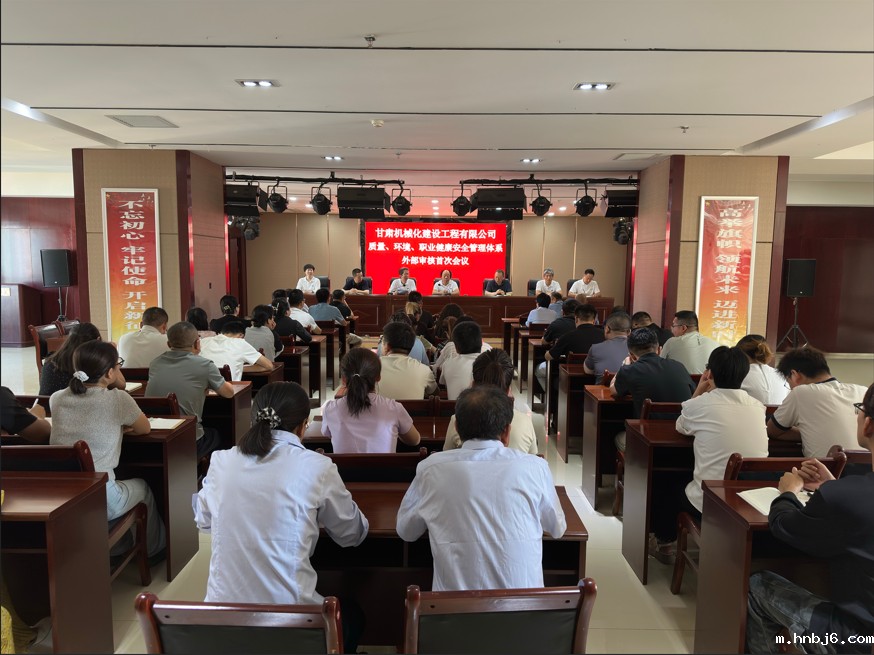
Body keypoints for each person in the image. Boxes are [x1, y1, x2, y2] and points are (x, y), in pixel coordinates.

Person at [193, 381, 369, 653]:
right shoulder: (317, 466)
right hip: (291, 625)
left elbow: (203, 520)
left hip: (224, 622)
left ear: (254, 419)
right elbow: (351, 535)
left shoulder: (221, 461)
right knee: (353, 615)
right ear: (303, 426)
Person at [745, 383, 874, 654]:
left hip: (857, 640)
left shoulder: (846, 497)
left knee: (757, 585)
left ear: (868, 424)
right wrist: (833, 486)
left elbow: (783, 525)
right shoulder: (847, 494)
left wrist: (789, 492)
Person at [396, 385, 566, 590]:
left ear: (456, 427)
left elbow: (406, 531)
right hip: (523, 608)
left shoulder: (431, 469)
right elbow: (557, 529)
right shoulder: (536, 467)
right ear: (506, 432)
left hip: (454, 609)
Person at [650, 346, 768, 563]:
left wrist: (698, 391)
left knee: (666, 481)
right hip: (750, 501)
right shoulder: (757, 406)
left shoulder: (701, 404)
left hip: (712, 502)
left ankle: (664, 542)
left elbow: (681, 426)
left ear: (709, 373)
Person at [50, 341, 166, 557]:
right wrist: (121, 427)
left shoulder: (57, 398)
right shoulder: (118, 399)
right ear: (110, 373)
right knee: (143, 489)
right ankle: (154, 552)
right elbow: (144, 428)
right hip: (100, 496)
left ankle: (118, 547)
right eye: (117, 365)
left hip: (63, 495)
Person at [146, 322, 235, 459]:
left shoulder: (155, 363)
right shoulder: (205, 365)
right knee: (220, 432)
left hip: (155, 437)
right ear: (197, 343)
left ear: (169, 344)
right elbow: (228, 393)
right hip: (189, 440)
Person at [767, 347, 866, 458]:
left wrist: (805, 432)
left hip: (829, 468)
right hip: (869, 466)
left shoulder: (801, 393)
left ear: (794, 375)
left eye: (788, 383)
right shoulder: (863, 391)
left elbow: (772, 431)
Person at [321, 348, 421, 453]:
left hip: (341, 465)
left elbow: (326, 433)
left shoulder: (330, 409)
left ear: (343, 379)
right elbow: (415, 440)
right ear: (378, 377)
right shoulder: (394, 408)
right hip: (386, 465)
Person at [611, 328, 695, 451]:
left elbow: (613, 391)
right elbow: (693, 393)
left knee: (618, 437)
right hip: (684, 437)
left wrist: (624, 366)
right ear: (659, 350)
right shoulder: (678, 366)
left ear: (632, 355)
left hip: (646, 441)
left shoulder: (629, 370)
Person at [443, 349, 538, 455]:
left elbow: (447, 456)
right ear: (508, 391)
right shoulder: (525, 422)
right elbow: (533, 456)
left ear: (473, 385)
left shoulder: (459, 419)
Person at [376, 322, 437, 400]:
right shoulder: (424, 370)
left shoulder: (372, 366)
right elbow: (435, 393)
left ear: (386, 346)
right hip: (413, 408)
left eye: (382, 341)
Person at [38, 321, 102, 395]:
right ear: (98, 340)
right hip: (73, 402)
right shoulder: (92, 365)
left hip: (44, 402)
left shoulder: (51, 360)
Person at [199, 321, 273, 380]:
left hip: (201, 390)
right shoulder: (240, 343)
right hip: (229, 391)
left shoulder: (204, 341)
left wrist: (238, 368)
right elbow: (269, 366)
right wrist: (239, 368)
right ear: (241, 335)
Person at [660, 310, 721, 374]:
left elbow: (659, 367)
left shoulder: (671, 343)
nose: (672, 329)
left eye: (674, 326)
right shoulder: (715, 344)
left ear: (683, 328)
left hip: (681, 380)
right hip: (707, 380)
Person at [736, 334, 789, 405]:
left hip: (750, 411)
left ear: (740, 354)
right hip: (777, 412)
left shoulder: (739, 375)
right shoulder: (781, 375)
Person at [440, 321, 484, 400]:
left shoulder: (448, 364)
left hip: (454, 407)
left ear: (456, 348)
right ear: (481, 342)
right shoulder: (490, 365)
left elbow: (442, 383)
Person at [584, 312, 632, 384]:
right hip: (631, 390)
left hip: (602, 390)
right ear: (629, 332)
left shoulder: (595, 348)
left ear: (607, 329)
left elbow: (588, 371)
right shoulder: (638, 350)